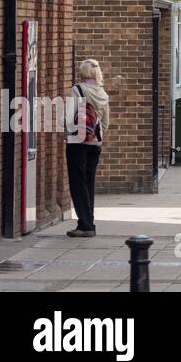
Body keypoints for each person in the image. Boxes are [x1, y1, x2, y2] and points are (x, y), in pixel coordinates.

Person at [66, 59, 109, 237]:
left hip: (78, 142)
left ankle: (85, 225)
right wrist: (97, 136)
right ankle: (88, 222)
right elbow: (106, 122)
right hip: (95, 143)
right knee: (89, 183)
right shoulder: (102, 92)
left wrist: (67, 133)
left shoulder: (78, 89)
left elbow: (69, 117)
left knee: (78, 183)